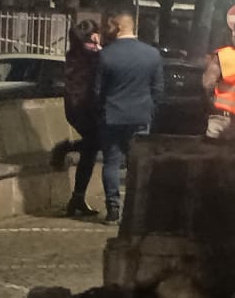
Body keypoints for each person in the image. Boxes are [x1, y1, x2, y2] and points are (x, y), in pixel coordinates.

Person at [94, 11, 163, 224]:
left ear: (118, 27)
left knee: (112, 163)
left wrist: (101, 110)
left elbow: (97, 91)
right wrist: (150, 109)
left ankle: (113, 209)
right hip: (141, 115)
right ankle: (136, 211)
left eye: (109, 26)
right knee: (139, 164)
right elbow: (158, 89)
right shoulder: (152, 54)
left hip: (113, 115)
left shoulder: (106, 55)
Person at [50, 18, 102, 217]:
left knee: (91, 149)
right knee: (97, 143)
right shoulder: (91, 54)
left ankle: (78, 198)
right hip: (84, 107)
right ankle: (67, 147)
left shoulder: (75, 53)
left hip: (75, 107)